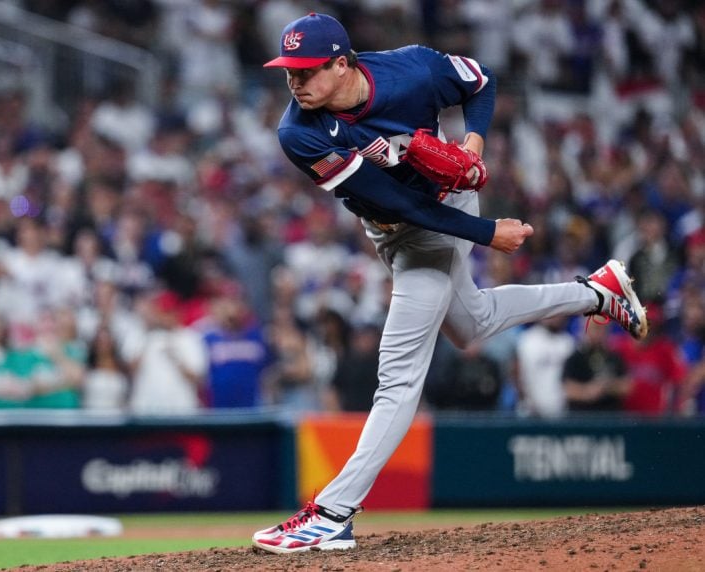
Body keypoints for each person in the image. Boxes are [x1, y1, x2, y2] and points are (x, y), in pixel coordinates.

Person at [252, 12, 648, 554]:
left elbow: (480, 81)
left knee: (398, 377)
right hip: (396, 220)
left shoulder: (413, 69)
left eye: (306, 70)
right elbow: (396, 202)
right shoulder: (298, 132)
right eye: (288, 71)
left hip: (442, 215)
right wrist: (488, 233)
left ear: (342, 64)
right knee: (471, 324)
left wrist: (474, 146)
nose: (294, 82)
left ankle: (332, 513)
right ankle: (598, 291)